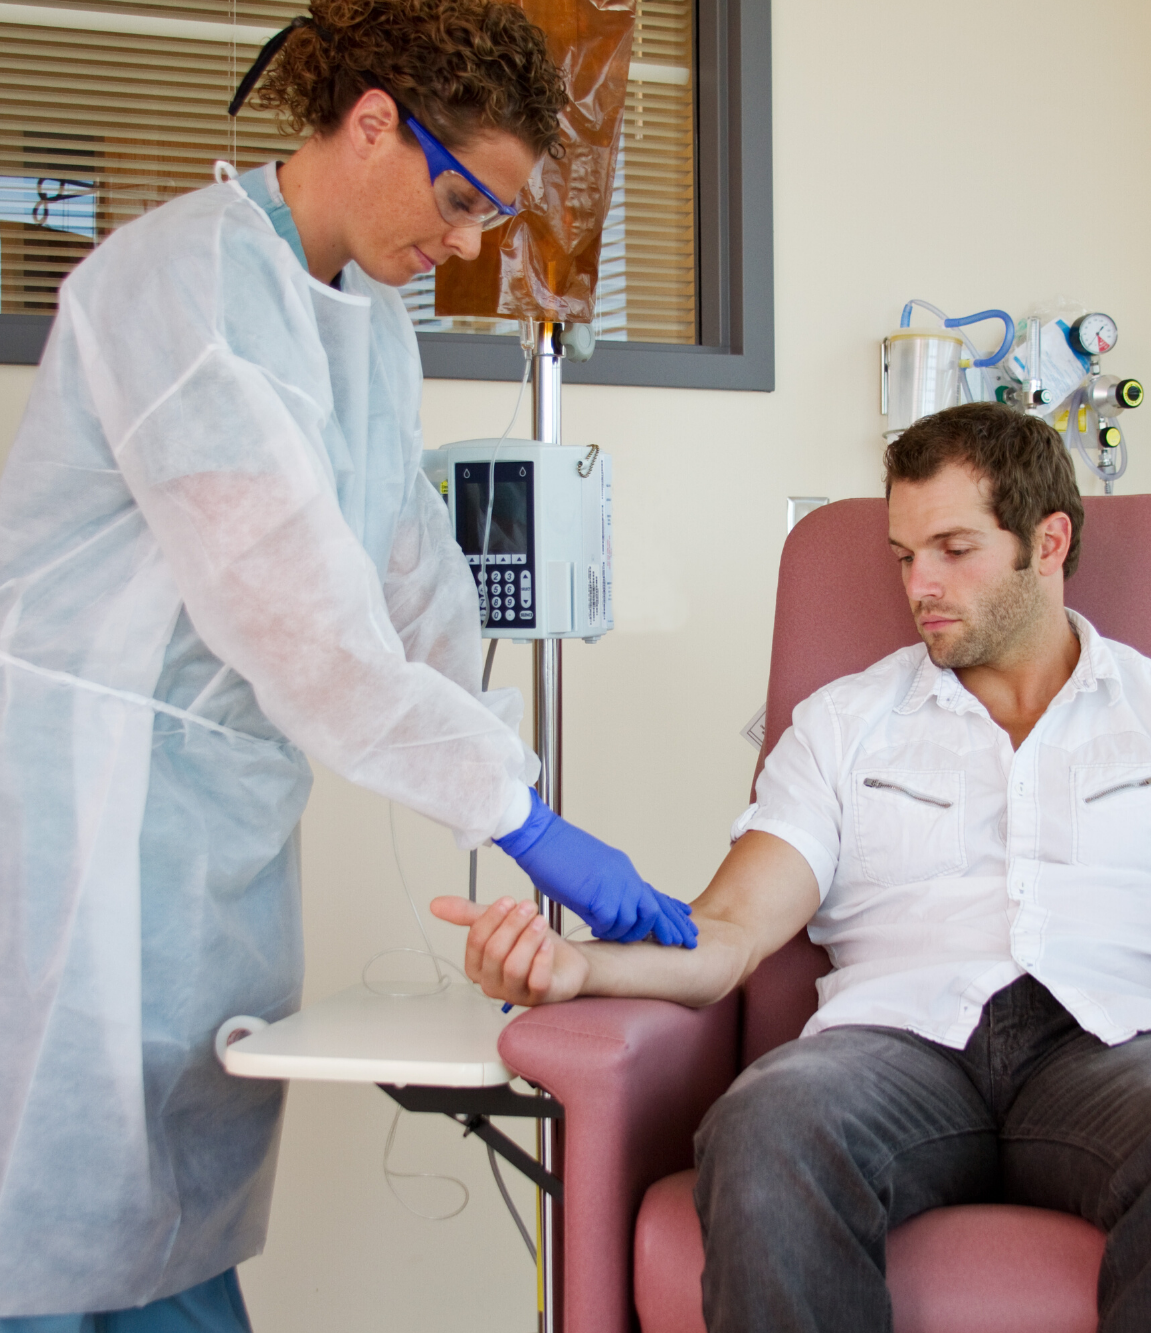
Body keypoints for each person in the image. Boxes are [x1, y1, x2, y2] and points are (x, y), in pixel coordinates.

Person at [435, 401, 1151, 1333]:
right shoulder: (844, 723)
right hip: (891, 1052)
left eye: (953, 548)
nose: (920, 584)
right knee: (767, 1122)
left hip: (1122, 1057)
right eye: (904, 555)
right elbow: (727, 936)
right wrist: (581, 970)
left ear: (1048, 541)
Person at [0, 2, 691, 1326]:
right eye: (459, 196)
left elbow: (408, 578)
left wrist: (520, 794)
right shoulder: (183, 288)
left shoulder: (365, 321)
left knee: (173, 1185)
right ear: (371, 118)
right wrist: (524, 826)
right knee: (56, 1194)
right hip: (78, 810)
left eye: (494, 214)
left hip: (216, 815)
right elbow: (307, 630)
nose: (468, 242)